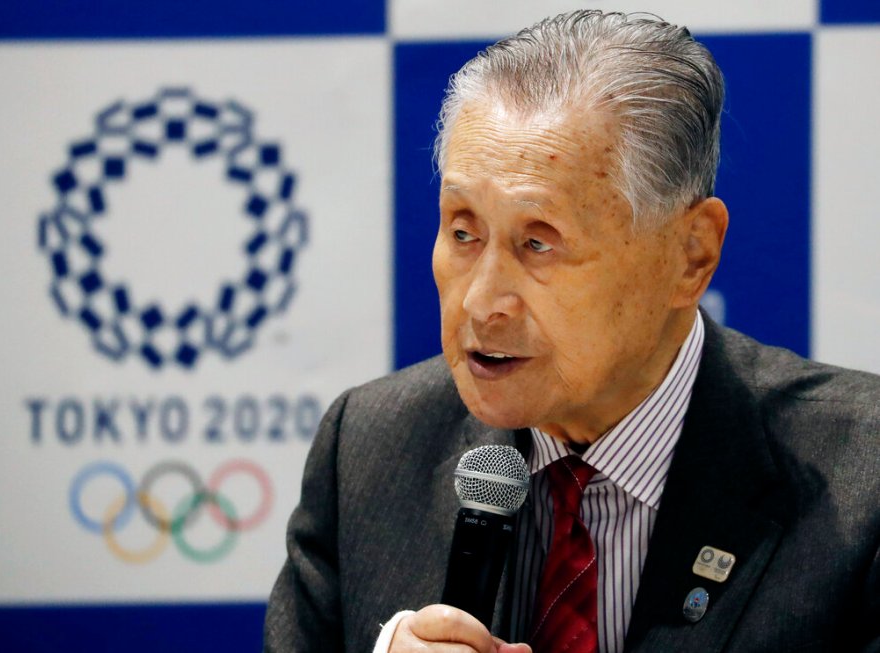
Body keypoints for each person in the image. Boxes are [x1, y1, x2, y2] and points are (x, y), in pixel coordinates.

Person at [264, 10, 879, 653]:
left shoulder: (864, 484)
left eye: (538, 243)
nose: (481, 302)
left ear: (690, 256)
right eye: (463, 232)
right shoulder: (368, 451)